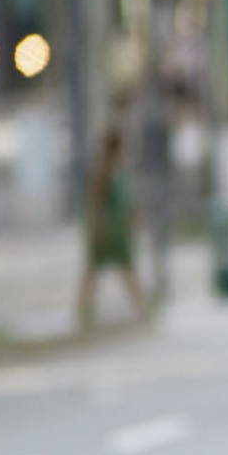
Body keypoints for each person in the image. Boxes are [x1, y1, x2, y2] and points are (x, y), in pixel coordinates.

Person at [76, 110, 148, 330]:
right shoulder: (104, 170)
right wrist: (99, 226)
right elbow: (97, 201)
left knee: (118, 270)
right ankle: (83, 309)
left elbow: (126, 201)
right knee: (100, 271)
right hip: (107, 231)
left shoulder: (118, 169)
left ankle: (141, 306)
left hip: (117, 230)